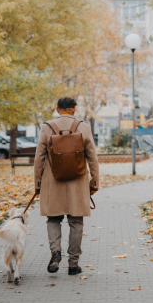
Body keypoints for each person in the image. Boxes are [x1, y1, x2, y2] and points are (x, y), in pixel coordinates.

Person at [34, 96, 99, 275]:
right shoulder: (83, 127)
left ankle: (56, 252)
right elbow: (92, 157)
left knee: (53, 219)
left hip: (52, 181)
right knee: (76, 221)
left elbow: (39, 156)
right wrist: (94, 181)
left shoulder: (47, 127)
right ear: (73, 110)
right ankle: (73, 264)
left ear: (57, 109)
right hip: (77, 182)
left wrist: (38, 183)